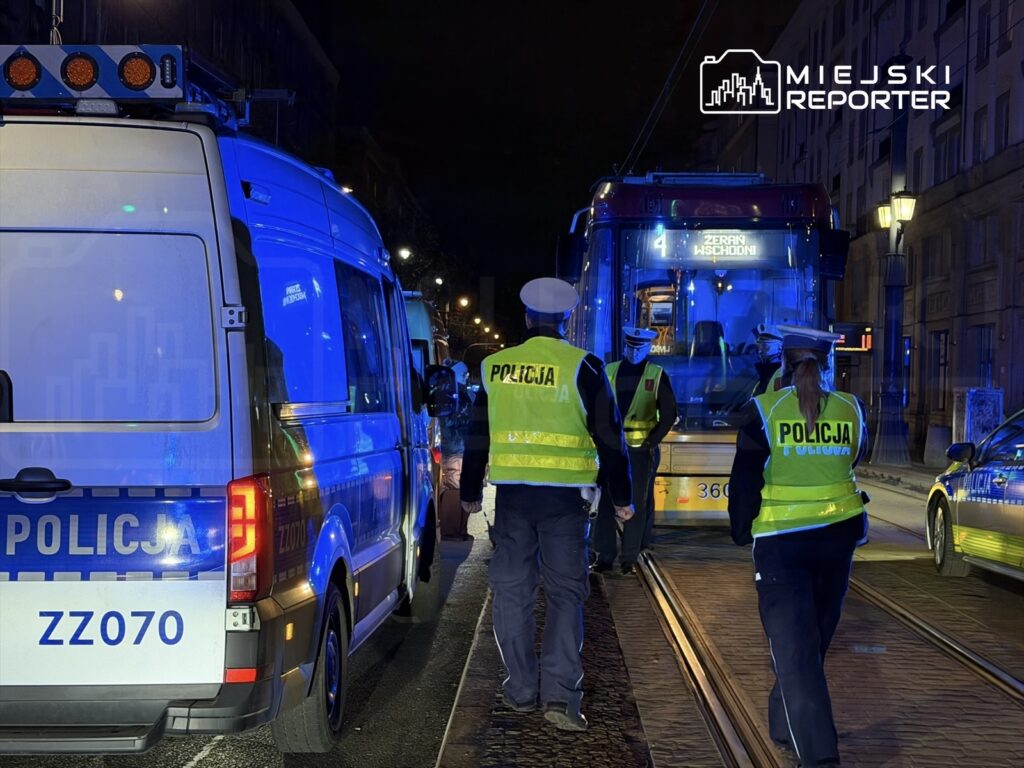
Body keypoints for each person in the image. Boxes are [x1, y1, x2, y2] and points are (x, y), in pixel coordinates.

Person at [460, 277, 634, 732]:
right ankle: (560, 698)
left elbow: (478, 433)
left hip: (514, 501)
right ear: (565, 320)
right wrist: (624, 498)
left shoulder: (496, 367)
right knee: (566, 595)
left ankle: (519, 689)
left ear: (526, 317)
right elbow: (610, 438)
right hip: (565, 504)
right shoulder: (585, 367)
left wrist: (469, 490)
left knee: (513, 594)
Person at [727, 325, 869, 768]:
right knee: (811, 646)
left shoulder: (762, 411)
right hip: (838, 539)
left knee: (796, 652)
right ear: (827, 364)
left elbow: (745, 480)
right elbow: (855, 458)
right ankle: (784, 723)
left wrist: (741, 531)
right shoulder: (852, 409)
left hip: (781, 546)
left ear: (784, 365)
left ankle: (820, 758)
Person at [593, 327, 677, 574]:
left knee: (635, 503)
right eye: (630, 347)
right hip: (611, 448)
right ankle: (605, 556)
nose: (633, 352)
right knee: (607, 502)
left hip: (640, 450)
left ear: (648, 349)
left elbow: (669, 414)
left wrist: (652, 442)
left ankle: (629, 557)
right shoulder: (609, 370)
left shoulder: (657, 374)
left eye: (638, 348)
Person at [438, 361, 473, 540]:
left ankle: (458, 530)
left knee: (456, 488)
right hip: (457, 449)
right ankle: (453, 531)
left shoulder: (449, 393)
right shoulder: (458, 395)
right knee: (454, 488)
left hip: (456, 449)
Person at [752, 323, 784, 396]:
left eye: (765, 346)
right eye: (758, 346)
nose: (760, 350)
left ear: (780, 346)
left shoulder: (782, 375)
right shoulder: (762, 374)